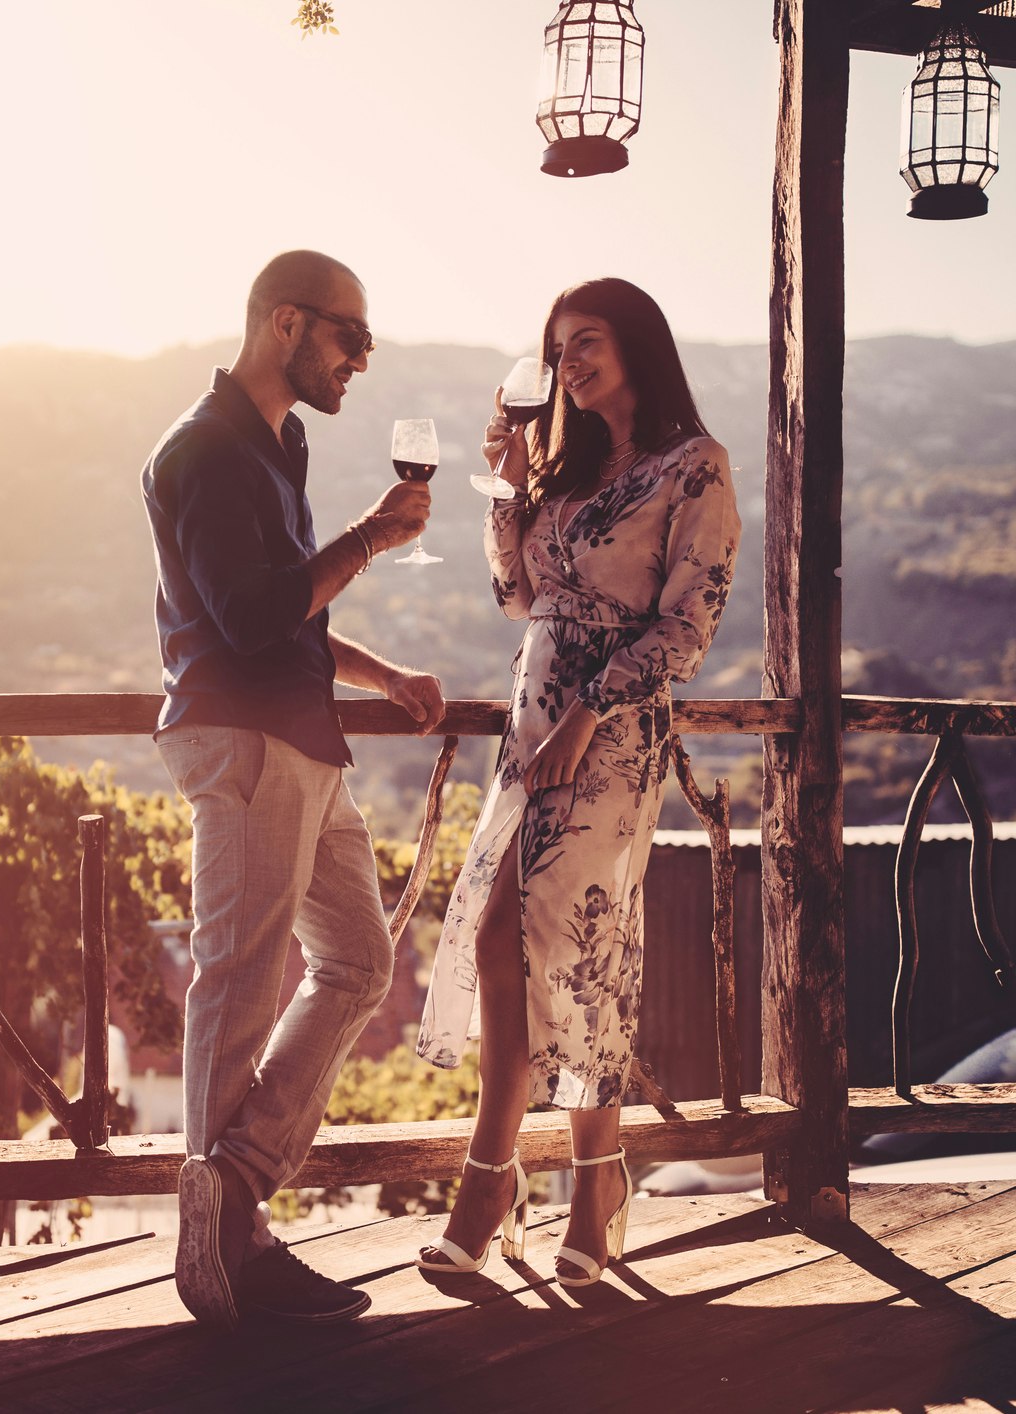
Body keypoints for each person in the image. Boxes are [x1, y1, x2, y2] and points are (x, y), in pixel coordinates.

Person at [413, 278, 741, 1288]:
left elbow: (689, 626)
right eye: (557, 352)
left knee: (571, 941)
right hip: (531, 721)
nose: (568, 366)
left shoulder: (698, 468)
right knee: (507, 934)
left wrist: (590, 711)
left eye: (586, 343)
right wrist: (512, 487)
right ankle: (577, 1176)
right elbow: (519, 596)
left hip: (607, 732)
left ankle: (507, 1177)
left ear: (636, 344)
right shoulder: (574, 467)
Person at [143, 250, 447, 1329]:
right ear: (284, 324)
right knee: (237, 977)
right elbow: (255, 618)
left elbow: (293, 609)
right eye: (348, 337)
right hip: (247, 740)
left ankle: (230, 1184)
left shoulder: (279, 441)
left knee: (360, 961)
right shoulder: (204, 451)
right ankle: (232, 1240)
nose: (361, 359)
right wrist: (371, 534)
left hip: (304, 737)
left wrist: (383, 675)